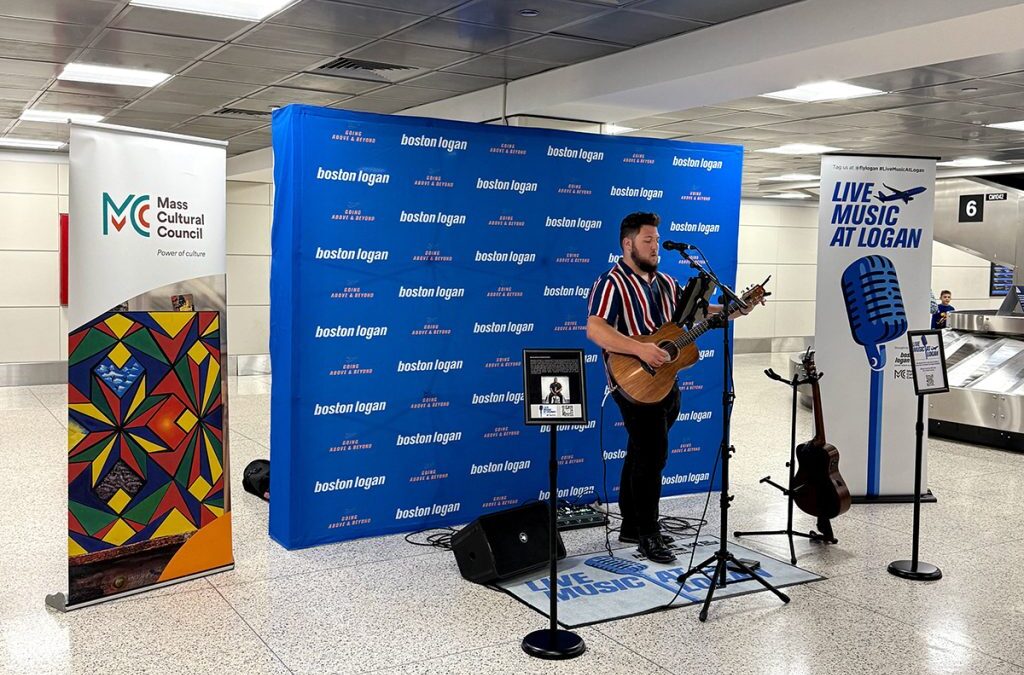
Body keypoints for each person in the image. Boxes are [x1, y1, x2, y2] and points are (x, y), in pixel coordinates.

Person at [586, 213, 708, 563]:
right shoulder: (611, 282)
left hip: (665, 381)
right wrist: (640, 348)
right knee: (653, 454)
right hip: (633, 380)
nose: (655, 247)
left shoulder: (668, 283)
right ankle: (649, 532)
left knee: (642, 452)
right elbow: (596, 330)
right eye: (647, 241)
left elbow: (695, 316)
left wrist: (734, 309)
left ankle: (631, 524)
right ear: (628, 244)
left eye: (656, 241)